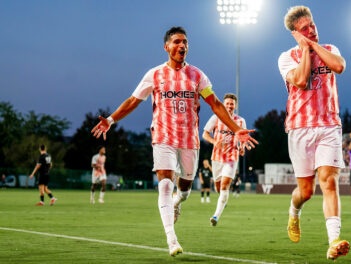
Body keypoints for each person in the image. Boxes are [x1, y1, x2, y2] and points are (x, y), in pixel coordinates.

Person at [91, 27, 257, 257]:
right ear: (166, 47)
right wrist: (110, 120)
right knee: (166, 185)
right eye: (177, 42)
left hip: (189, 140)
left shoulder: (198, 76)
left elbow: (216, 104)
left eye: (185, 42)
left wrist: (237, 128)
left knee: (185, 190)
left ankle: (179, 202)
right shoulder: (155, 74)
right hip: (163, 138)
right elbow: (133, 100)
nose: (182, 46)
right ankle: (172, 239)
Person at [278, 6, 349, 260]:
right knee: (306, 192)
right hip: (299, 128)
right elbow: (301, 79)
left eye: (312, 24)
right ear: (296, 33)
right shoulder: (286, 57)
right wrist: (305, 49)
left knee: (329, 182)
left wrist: (312, 45)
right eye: (305, 28)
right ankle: (294, 211)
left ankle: (334, 241)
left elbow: (339, 67)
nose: (312, 29)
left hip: (329, 125)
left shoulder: (330, 49)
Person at [202, 93, 246, 227]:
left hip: (232, 156)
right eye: (227, 103)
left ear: (235, 106)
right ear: (223, 104)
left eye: (232, 104)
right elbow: (205, 134)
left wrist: (242, 147)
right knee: (218, 187)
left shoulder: (240, 121)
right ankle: (222, 199)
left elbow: (242, 137)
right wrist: (214, 142)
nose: (229, 106)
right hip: (217, 157)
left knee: (225, 185)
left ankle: (215, 216)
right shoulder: (216, 118)